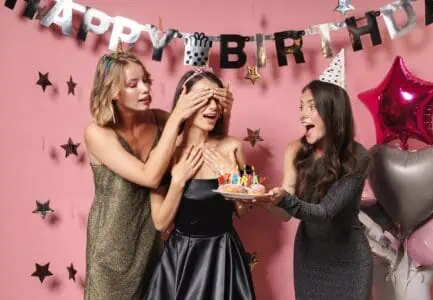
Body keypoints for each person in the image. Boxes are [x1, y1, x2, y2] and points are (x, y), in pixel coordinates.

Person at [83, 52, 233, 300]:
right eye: (133, 84)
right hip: (111, 250)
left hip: (154, 245)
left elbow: (206, 143)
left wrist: (224, 110)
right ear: (112, 91)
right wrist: (177, 116)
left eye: (146, 80)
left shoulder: (161, 120)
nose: (145, 89)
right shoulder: (97, 133)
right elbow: (150, 176)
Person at [254, 80, 373, 300]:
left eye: (311, 106)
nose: (302, 115)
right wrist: (264, 199)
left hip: (350, 261)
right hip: (309, 258)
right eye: (301, 107)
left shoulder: (358, 158)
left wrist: (284, 200)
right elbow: (286, 214)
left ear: (333, 111)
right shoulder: (296, 151)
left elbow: (324, 213)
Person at [145, 70, 255, 300]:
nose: (213, 107)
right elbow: (160, 222)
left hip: (224, 258)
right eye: (204, 98)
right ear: (184, 102)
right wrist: (178, 181)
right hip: (182, 260)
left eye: (217, 98)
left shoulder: (233, 147)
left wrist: (231, 178)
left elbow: (244, 212)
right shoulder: (166, 155)